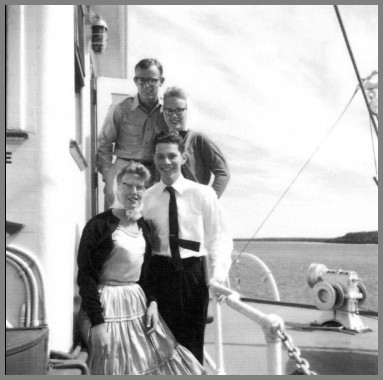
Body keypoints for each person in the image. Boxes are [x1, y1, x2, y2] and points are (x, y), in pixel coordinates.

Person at [77, 162, 205, 375]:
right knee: (115, 364)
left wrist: (153, 303)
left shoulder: (143, 226)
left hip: (137, 301)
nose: (134, 192)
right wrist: (97, 324)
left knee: (155, 357)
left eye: (140, 187)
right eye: (128, 185)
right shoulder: (98, 225)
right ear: (118, 186)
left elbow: (147, 274)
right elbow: (86, 276)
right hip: (106, 304)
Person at [142, 131, 233, 364]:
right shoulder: (147, 198)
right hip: (160, 276)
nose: (166, 162)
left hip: (192, 277)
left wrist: (219, 276)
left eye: (172, 156)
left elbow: (218, 238)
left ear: (183, 158)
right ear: (154, 158)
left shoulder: (203, 195)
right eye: (160, 156)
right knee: (159, 351)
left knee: (192, 350)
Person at [97, 58, 167, 210]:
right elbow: (104, 145)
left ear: (161, 81)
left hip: (152, 176)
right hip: (122, 173)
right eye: (141, 80)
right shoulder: (121, 109)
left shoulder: (166, 114)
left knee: (148, 225)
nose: (146, 86)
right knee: (116, 225)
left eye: (152, 81)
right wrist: (109, 177)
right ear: (135, 80)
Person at [161, 86, 230, 198]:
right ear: (163, 111)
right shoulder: (159, 143)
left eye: (179, 110)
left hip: (194, 208)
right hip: (166, 207)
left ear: (187, 110)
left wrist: (209, 200)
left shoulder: (199, 140)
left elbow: (223, 172)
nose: (174, 115)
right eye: (169, 110)